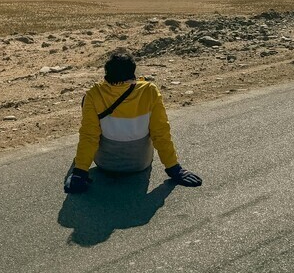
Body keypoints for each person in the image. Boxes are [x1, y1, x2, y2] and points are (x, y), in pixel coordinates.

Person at [64, 48, 202, 193]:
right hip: (140, 164)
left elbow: (89, 135)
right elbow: (160, 132)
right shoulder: (149, 91)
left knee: (88, 113)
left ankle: (80, 162)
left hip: (105, 164)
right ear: (133, 71)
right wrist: (174, 168)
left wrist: (80, 171)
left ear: (107, 73)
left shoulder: (94, 94)